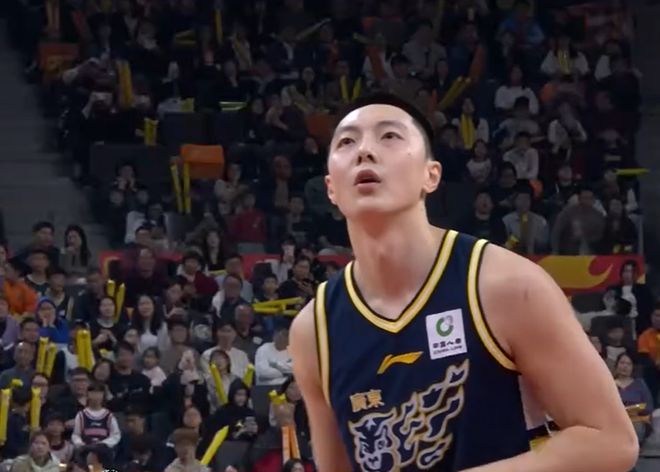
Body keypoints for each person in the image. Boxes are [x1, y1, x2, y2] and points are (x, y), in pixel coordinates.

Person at [289, 93, 637, 471]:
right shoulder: (313, 330)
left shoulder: (506, 285)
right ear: (331, 188)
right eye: (346, 141)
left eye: (389, 136)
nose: (365, 151)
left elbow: (610, 441)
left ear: (431, 175)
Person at [612, 353, 654, 445]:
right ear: (616, 365)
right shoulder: (609, 383)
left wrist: (634, 409)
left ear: (632, 368)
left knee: (636, 427)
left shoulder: (640, 384)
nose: (625, 366)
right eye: (622, 363)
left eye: (628, 364)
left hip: (636, 420)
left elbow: (648, 406)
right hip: (615, 420)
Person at [71, 381, 121, 450]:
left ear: (103, 396)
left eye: (99, 393)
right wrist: (80, 444)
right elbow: (76, 434)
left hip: (104, 450)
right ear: (87, 395)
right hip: (86, 449)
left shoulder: (109, 415)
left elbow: (116, 435)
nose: (96, 396)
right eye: (93, 393)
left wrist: (103, 444)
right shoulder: (81, 415)